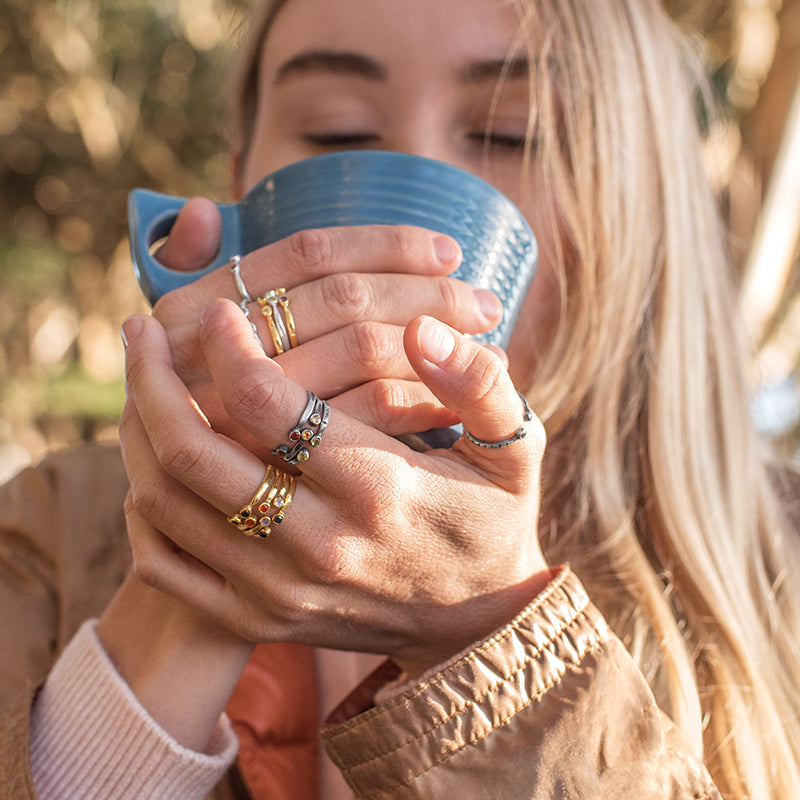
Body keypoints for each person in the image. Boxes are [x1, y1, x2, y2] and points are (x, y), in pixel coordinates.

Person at [2, 0, 799, 797]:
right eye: (336, 133)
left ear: (644, 205)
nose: (410, 174)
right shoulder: (51, 529)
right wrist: (198, 572)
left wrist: (489, 645)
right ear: (244, 186)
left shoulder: (784, 569)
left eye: (509, 134)